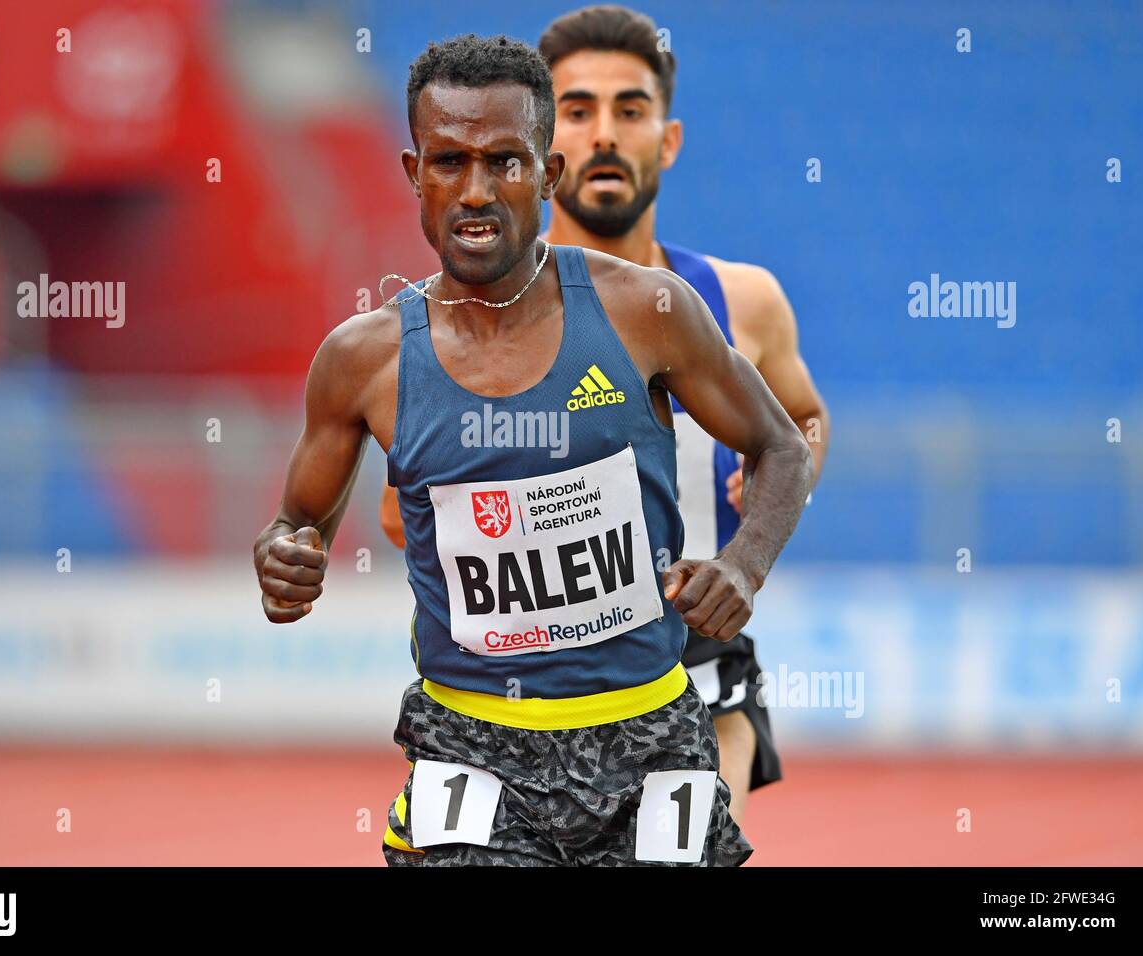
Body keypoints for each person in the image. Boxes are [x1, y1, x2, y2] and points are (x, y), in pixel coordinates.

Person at [255, 33, 812, 866]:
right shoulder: (362, 361)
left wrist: (743, 566)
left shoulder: (647, 311)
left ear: (548, 175)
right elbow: (297, 525)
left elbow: (784, 445)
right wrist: (283, 561)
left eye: (506, 163)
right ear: (414, 173)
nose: (475, 191)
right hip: (469, 748)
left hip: (647, 739)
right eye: (448, 161)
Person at [381, 6, 830, 824]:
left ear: (668, 138)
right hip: (532, 682)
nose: (604, 135)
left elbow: (799, 428)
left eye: (630, 110)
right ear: (548, 148)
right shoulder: (461, 325)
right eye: (579, 110)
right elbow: (402, 504)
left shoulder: (738, 300)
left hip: (698, 643)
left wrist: (748, 540)